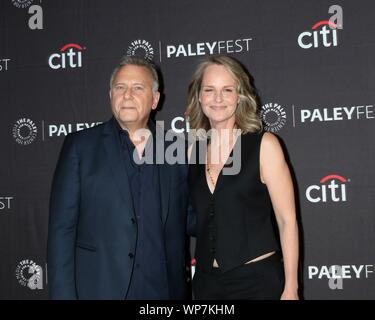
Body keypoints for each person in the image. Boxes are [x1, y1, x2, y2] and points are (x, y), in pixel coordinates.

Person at [47, 55, 194, 299]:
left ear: (155, 99)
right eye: (120, 87)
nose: (127, 95)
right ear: (110, 95)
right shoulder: (80, 147)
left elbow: (190, 218)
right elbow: (61, 232)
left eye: (138, 88)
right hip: (101, 289)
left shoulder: (177, 150)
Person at [186, 55, 299, 300]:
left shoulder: (264, 146)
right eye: (209, 90)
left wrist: (291, 287)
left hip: (257, 282)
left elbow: (286, 220)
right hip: (207, 284)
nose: (218, 99)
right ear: (199, 97)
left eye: (227, 90)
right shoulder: (191, 150)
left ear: (240, 96)